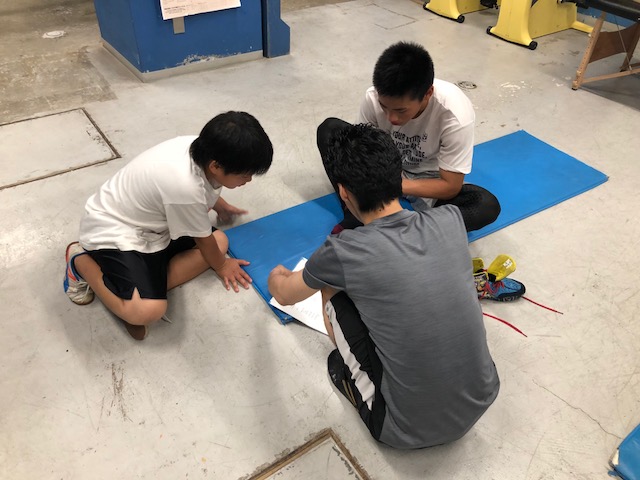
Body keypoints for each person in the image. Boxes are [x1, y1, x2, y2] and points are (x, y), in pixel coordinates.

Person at [268, 123, 500, 449]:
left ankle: (352, 377)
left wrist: (276, 275)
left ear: (343, 192)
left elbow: (284, 295)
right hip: (483, 398)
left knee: (330, 289)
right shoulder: (450, 220)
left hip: (401, 429)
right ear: (399, 178)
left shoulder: (342, 251)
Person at [63, 111, 273, 340]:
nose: (248, 180)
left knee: (220, 241)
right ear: (216, 166)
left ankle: (138, 289)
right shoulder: (184, 187)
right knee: (149, 311)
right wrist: (222, 266)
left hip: (155, 223)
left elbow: (203, 190)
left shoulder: (202, 147)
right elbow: (198, 221)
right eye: (244, 175)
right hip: (115, 230)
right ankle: (80, 261)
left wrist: (219, 205)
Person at [317, 41, 501, 233]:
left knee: (485, 205)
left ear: (428, 93)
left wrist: (393, 186)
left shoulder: (454, 115)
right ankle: (357, 214)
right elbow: (362, 154)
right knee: (330, 131)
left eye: (401, 110)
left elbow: (450, 186)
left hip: (430, 178)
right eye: (384, 107)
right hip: (383, 169)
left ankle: (412, 230)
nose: (391, 118)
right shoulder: (372, 98)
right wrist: (375, 181)